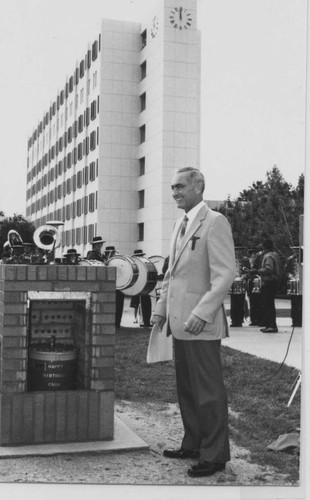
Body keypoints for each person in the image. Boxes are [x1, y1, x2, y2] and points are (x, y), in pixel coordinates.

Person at [151, 167, 235, 478]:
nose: (174, 192)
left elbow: (225, 274)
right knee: (186, 389)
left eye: (180, 187)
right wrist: (160, 310)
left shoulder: (215, 222)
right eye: (172, 187)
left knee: (208, 391)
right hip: (178, 323)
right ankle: (194, 443)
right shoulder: (178, 224)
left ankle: (214, 455)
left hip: (201, 323)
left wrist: (202, 312)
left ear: (198, 187)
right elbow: (171, 274)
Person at [258, 239, 280, 333]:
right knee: (268, 304)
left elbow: (269, 269)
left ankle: (271, 326)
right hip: (272, 282)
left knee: (268, 305)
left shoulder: (268, 256)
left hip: (269, 282)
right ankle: (269, 325)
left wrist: (258, 271)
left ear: (265, 247)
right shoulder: (273, 255)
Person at [104, 246, 125, 328]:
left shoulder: (116, 261)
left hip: (118, 286)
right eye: (111, 253)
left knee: (119, 305)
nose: (113, 254)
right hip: (110, 287)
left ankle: (117, 323)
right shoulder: (105, 261)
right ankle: (113, 323)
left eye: (113, 253)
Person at [131, 249, 152, 327]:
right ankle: (142, 321)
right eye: (139, 255)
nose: (141, 257)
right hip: (138, 287)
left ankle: (147, 321)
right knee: (139, 305)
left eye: (141, 255)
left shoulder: (144, 263)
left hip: (145, 286)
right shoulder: (134, 264)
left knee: (147, 303)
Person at [229, 246, 249, 327]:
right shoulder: (230, 259)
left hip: (241, 282)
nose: (238, 252)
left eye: (240, 250)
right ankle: (234, 320)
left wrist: (243, 277)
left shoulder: (245, 260)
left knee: (240, 302)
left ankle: (240, 320)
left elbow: (248, 271)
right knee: (233, 302)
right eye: (236, 250)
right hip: (233, 282)